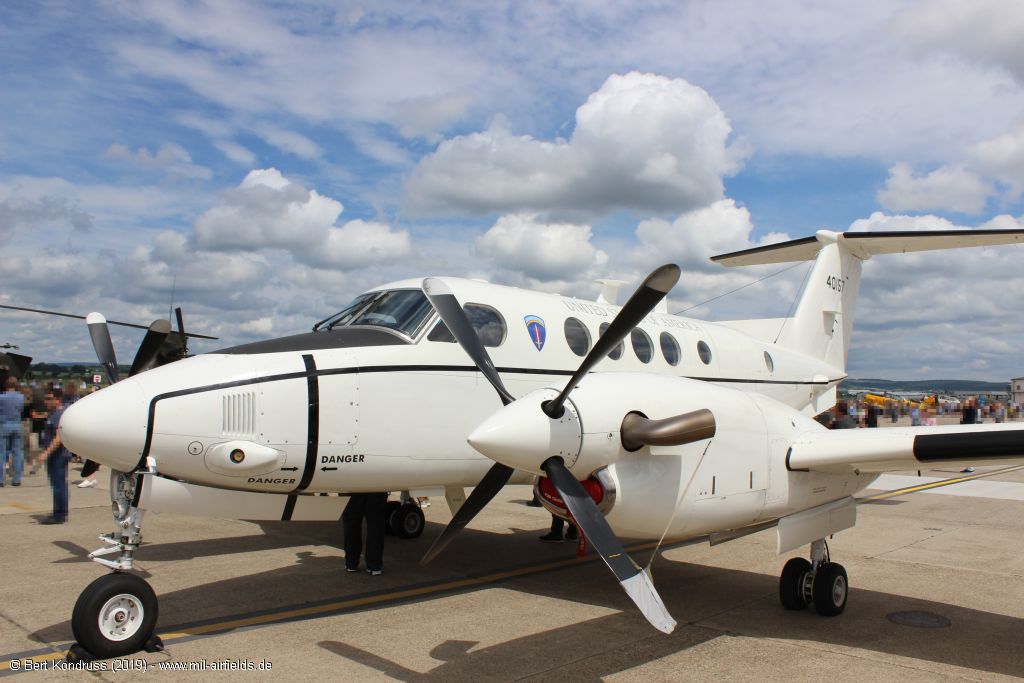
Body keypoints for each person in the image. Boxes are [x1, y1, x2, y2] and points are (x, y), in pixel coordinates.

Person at [36, 388, 71, 524]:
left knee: (58, 485)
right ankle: (60, 511)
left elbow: (58, 438)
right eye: (46, 399)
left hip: (58, 455)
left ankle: (60, 514)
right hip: (56, 455)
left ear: (58, 399)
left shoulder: (58, 415)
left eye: (50, 399)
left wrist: (46, 453)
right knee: (58, 484)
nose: (47, 402)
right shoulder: (53, 414)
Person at [342, 492, 388, 575]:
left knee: (351, 525)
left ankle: (351, 563)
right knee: (376, 525)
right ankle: (374, 565)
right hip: (376, 487)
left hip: (351, 487)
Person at [1, 377, 26, 487]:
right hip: (17, 424)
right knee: (17, 452)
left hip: (4, 424)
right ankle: (17, 479)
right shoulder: (21, 397)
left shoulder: (1, 397)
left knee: (1, 453)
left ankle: (1, 480)